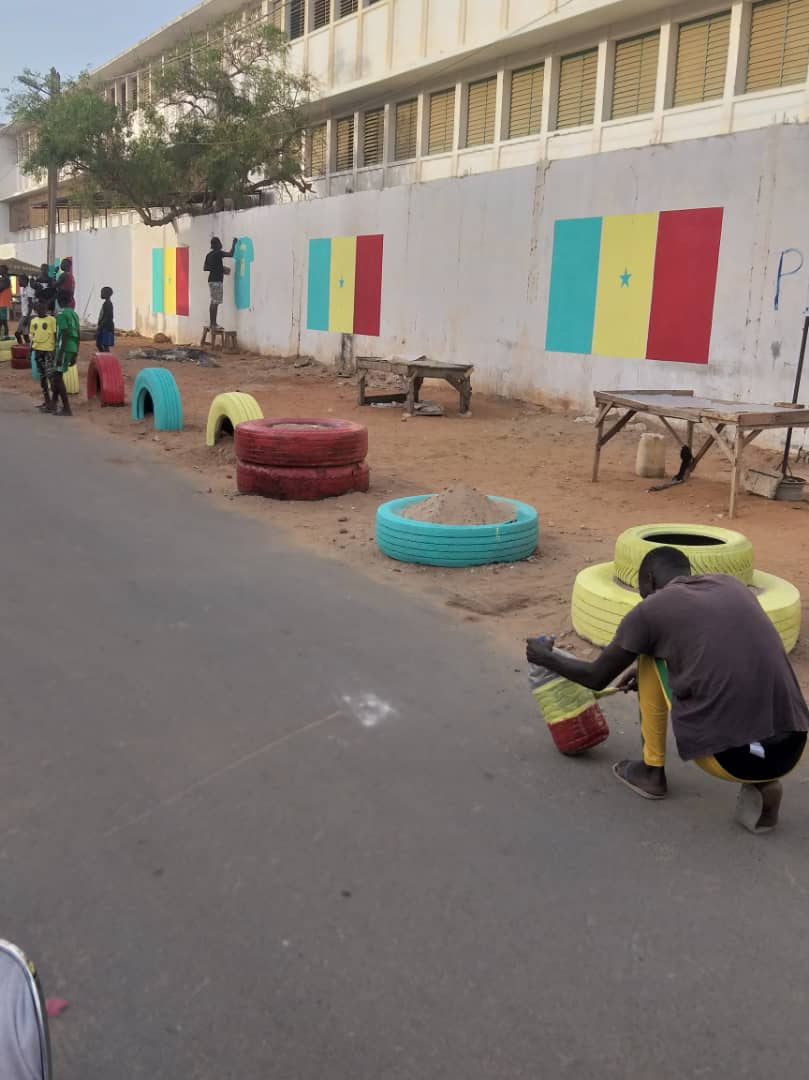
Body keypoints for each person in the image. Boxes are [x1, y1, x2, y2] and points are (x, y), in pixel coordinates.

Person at [526, 547, 809, 834]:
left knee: (647, 655)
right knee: (738, 674)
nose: (643, 597)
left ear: (648, 579)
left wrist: (544, 657)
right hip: (791, 745)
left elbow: (596, 677)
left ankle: (652, 772)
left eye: (641, 590)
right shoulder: (732, 586)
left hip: (731, 759)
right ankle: (764, 784)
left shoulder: (651, 609)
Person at [53, 289, 80, 416]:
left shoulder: (61, 314)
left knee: (57, 377)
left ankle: (67, 408)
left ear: (58, 301)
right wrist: (76, 353)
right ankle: (53, 403)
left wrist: (60, 354)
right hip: (72, 347)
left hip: (63, 347)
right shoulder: (74, 314)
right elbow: (78, 334)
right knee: (57, 375)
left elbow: (64, 333)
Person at [29, 300, 57, 413]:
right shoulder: (33, 321)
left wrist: (55, 350)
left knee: (51, 376)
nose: (42, 310)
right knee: (42, 377)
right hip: (38, 350)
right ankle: (47, 401)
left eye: (44, 308)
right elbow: (32, 335)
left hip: (49, 351)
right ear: (36, 309)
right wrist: (31, 349)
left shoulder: (52, 320)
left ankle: (54, 402)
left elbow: (55, 334)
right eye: (39, 308)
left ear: (47, 308)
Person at [203, 237, 235, 329]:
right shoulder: (218, 253)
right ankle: (213, 324)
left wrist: (219, 268)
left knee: (213, 301)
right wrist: (234, 243)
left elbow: (206, 268)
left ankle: (212, 323)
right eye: (219, 242)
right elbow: (231, 254)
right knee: (215, 302)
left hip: (211, 280)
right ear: (217, 244)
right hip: (217, 280)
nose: (221, 244)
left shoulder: (209, 255)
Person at [15, 274, 35, 344]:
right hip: (24, 314)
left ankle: (27, 349)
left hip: (28, 315)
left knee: (22, 334)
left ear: (24, 281)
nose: (18, 283)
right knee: (20, 334)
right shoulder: (22, 288)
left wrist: (27, 317)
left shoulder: (29, 290)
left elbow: (31, 304)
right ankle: (23, 348)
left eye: (19, 281)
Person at [96, 286, 114, 352]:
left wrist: (100, 326)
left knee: (105, 345)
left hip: (106, 327)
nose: (101, 294)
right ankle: (104, 357)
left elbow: (107, 317)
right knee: (99, 344)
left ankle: (106, 358)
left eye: (102, 292)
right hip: (104, 327)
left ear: (106, 294)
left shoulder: (108, 304)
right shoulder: (106, 303)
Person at [0, 266, 12, 337]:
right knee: (2, 321)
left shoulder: (7, 280)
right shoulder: (2, 279)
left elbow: (1, 288)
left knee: (3, 321)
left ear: (5, 271)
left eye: (1, 270)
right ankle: (4, 336)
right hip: (1, 303)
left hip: (4, 303)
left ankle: (6, 336)